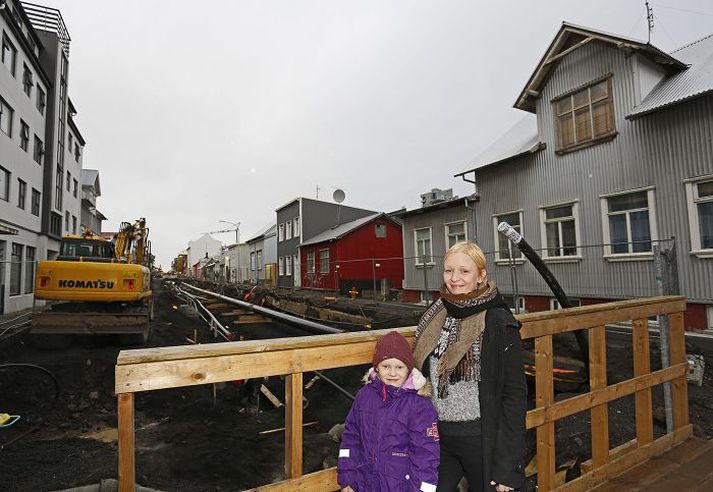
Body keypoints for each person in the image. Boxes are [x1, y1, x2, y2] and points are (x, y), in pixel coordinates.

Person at [412, 241, 526, 492]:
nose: (455, 279)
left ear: (481, 275)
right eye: (449, 270)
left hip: (480, 438)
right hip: (438, 435)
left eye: (464, 271)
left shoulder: (498, 322)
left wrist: (508, 467)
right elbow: (420, 369)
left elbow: (514, 395)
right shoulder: (437, 312)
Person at [338, 330, 440, 492]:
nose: (392, 373)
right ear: (377, 368)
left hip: (400, 485)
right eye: (386, 366)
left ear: (409, 369)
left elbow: (426, 453)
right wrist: (347, 477)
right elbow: (351, 438)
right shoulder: (364, 396)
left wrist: (423, 489)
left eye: (399, 367)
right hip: (365, 482)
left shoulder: (420, 406)